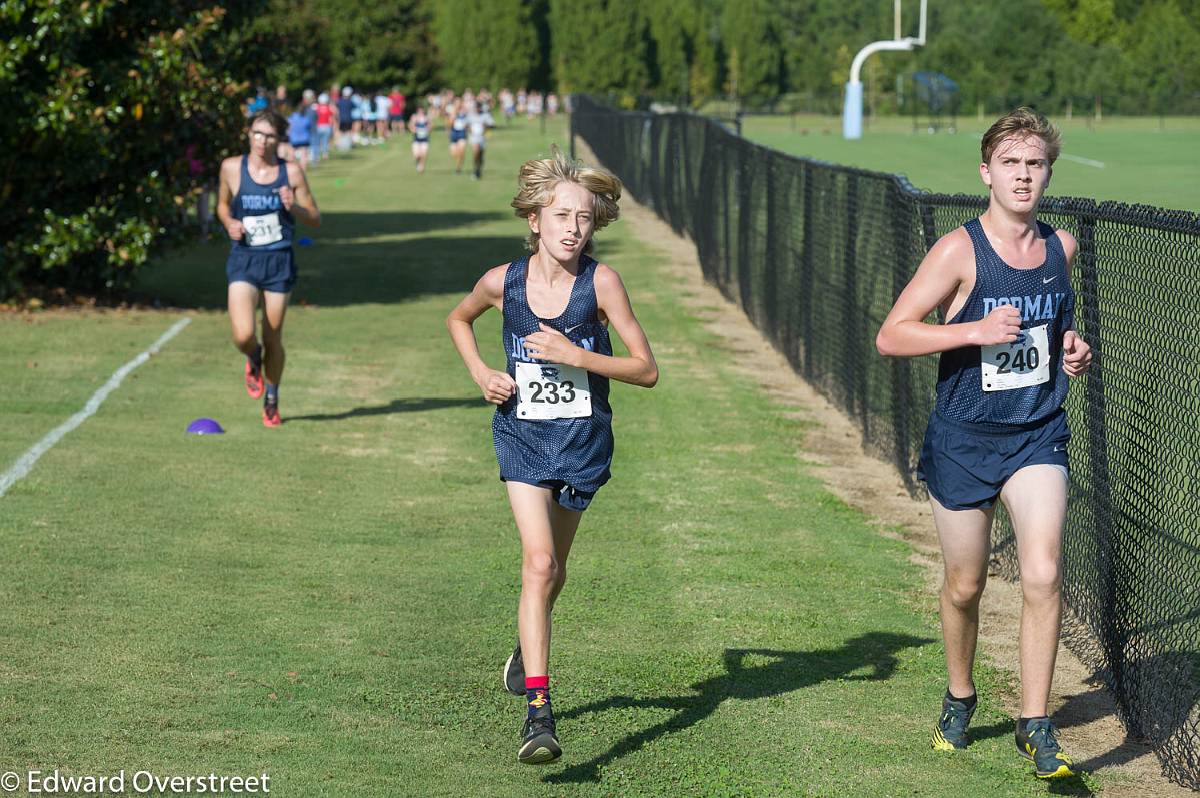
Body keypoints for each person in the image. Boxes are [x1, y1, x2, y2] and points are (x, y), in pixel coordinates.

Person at [875, 107, 1092, 779]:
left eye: (1035, 165)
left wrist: (1070, 349)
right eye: (1011, 164)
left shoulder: (1062, 246)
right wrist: (970, 331)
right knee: (966, 585)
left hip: (1036, 435)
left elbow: (1052, 329)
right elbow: (892, 334)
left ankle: (1036, 724)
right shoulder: (958, 250)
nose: (1024, 176)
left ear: (1047, 173)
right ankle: (961, 693)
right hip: (963, 438)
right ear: (986, 173)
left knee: (1044, 571)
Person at [446, 148, 658, 764]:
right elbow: (459, 320)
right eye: (561, 215)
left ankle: (524, 645)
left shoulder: (602, 283)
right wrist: (482, 372)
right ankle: (539, 715)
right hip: (520, 436)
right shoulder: (502, 281)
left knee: (554, 570)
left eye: (585, 218)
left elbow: (646, 369)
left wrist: (580, 356)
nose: (573, 227)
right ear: (535, 220)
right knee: (537, 565)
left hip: (583, 441)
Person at [216, 109, 321, 427]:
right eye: (257, 134)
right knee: (243, 334)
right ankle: (252, 355)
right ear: (248, 133)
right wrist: (229, 222)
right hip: (244, 259)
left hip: (278, 261)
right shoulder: (232, 168)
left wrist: (295, 206)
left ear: (279, 139)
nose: (262, 141)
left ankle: (272, 397)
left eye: (270, 135)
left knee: (273, 337)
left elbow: (315, 218)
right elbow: (221, 204)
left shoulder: (291, 173)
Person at [464, 100, 495, 180]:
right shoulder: (470, 116)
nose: (477, 109)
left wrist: (486, 126)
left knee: (480, 155)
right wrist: (469, 129)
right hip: (473, 137)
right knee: (476, 152)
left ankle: (479, 169)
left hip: (482, 137)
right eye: (476, 107)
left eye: (479, 107)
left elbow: (492, 125)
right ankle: (475, 170)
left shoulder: (485, 115)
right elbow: (465, 125)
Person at [407, 105, 431, 173]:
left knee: (423, 154)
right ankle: (418, 163)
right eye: (419, 111)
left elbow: (431, 126)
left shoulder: (426, 118)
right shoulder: (414, 117)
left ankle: (421, 166)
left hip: (425, 139)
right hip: (416, 139)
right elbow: (410, 125)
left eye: (422, 110)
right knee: (416, 155)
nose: (420, 112)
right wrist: (413, 129)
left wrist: (428, 129)